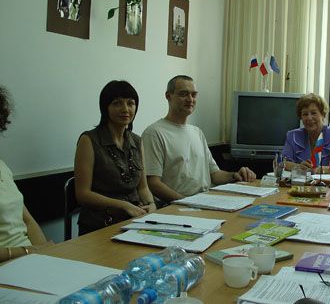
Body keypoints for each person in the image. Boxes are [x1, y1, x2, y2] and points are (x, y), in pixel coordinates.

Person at [142, 75, 256, 203]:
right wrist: (187, 202)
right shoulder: (154, 133)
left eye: (194, 95)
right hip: (177, 206)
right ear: (168, 96)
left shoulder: (197, 132)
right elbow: (153, 183)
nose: (190, 99)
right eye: (183, 94)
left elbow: (214, 174)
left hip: (205, 200)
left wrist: (235, 175)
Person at [74, 81, 156, 235]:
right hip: (100, 224)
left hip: (134, 221)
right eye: (117, 103)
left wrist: (151, 205)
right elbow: (83, 194)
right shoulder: (89, 140)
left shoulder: (137, 141)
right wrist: (123, 205)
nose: (125, 109)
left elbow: (143, 187)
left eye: (130, 103)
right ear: (105, 107)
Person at [0, 86, 52, 262]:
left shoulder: (2, 166)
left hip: (27, 261)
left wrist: (48, 256)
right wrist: (30, 251)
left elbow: (27, 220)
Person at [282, 93, 330, 174]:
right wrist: (298, 167)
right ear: (301, 117)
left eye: (313, 113)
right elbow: (283, 163)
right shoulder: (292, 136)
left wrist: (321, 170)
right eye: (305, 114)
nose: (309, 118)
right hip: (299, 185)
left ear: (323, 115)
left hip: (327, 185)